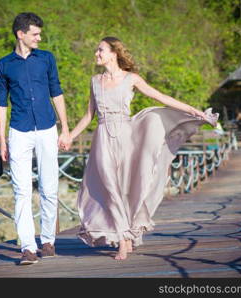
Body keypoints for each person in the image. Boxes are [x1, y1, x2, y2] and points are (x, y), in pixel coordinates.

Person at [68, 37, 218, 260]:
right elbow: (89, 115)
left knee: (127, 188)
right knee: (110, 188)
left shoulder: (131, 79)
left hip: (127, 137)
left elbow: (161, 97)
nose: (96, 54)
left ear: (113, 53)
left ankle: (127, 236)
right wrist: (70, 135)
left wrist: (194, 111)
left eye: (100, 50)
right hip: (102, 138)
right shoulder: (95, 81)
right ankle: (122, 239)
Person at [0, 12, 71, 265]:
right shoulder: (3, 65)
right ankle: (28, 248)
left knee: (49, 189)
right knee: (21, 191)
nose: (40, 37)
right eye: (35, 33)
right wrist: (2, 140)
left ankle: (48, 241)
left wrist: (66, 129)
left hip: (47, 128)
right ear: (21, 34)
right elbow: (0, 104)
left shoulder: (46, 59)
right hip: (18, 131)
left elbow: (57, 93)